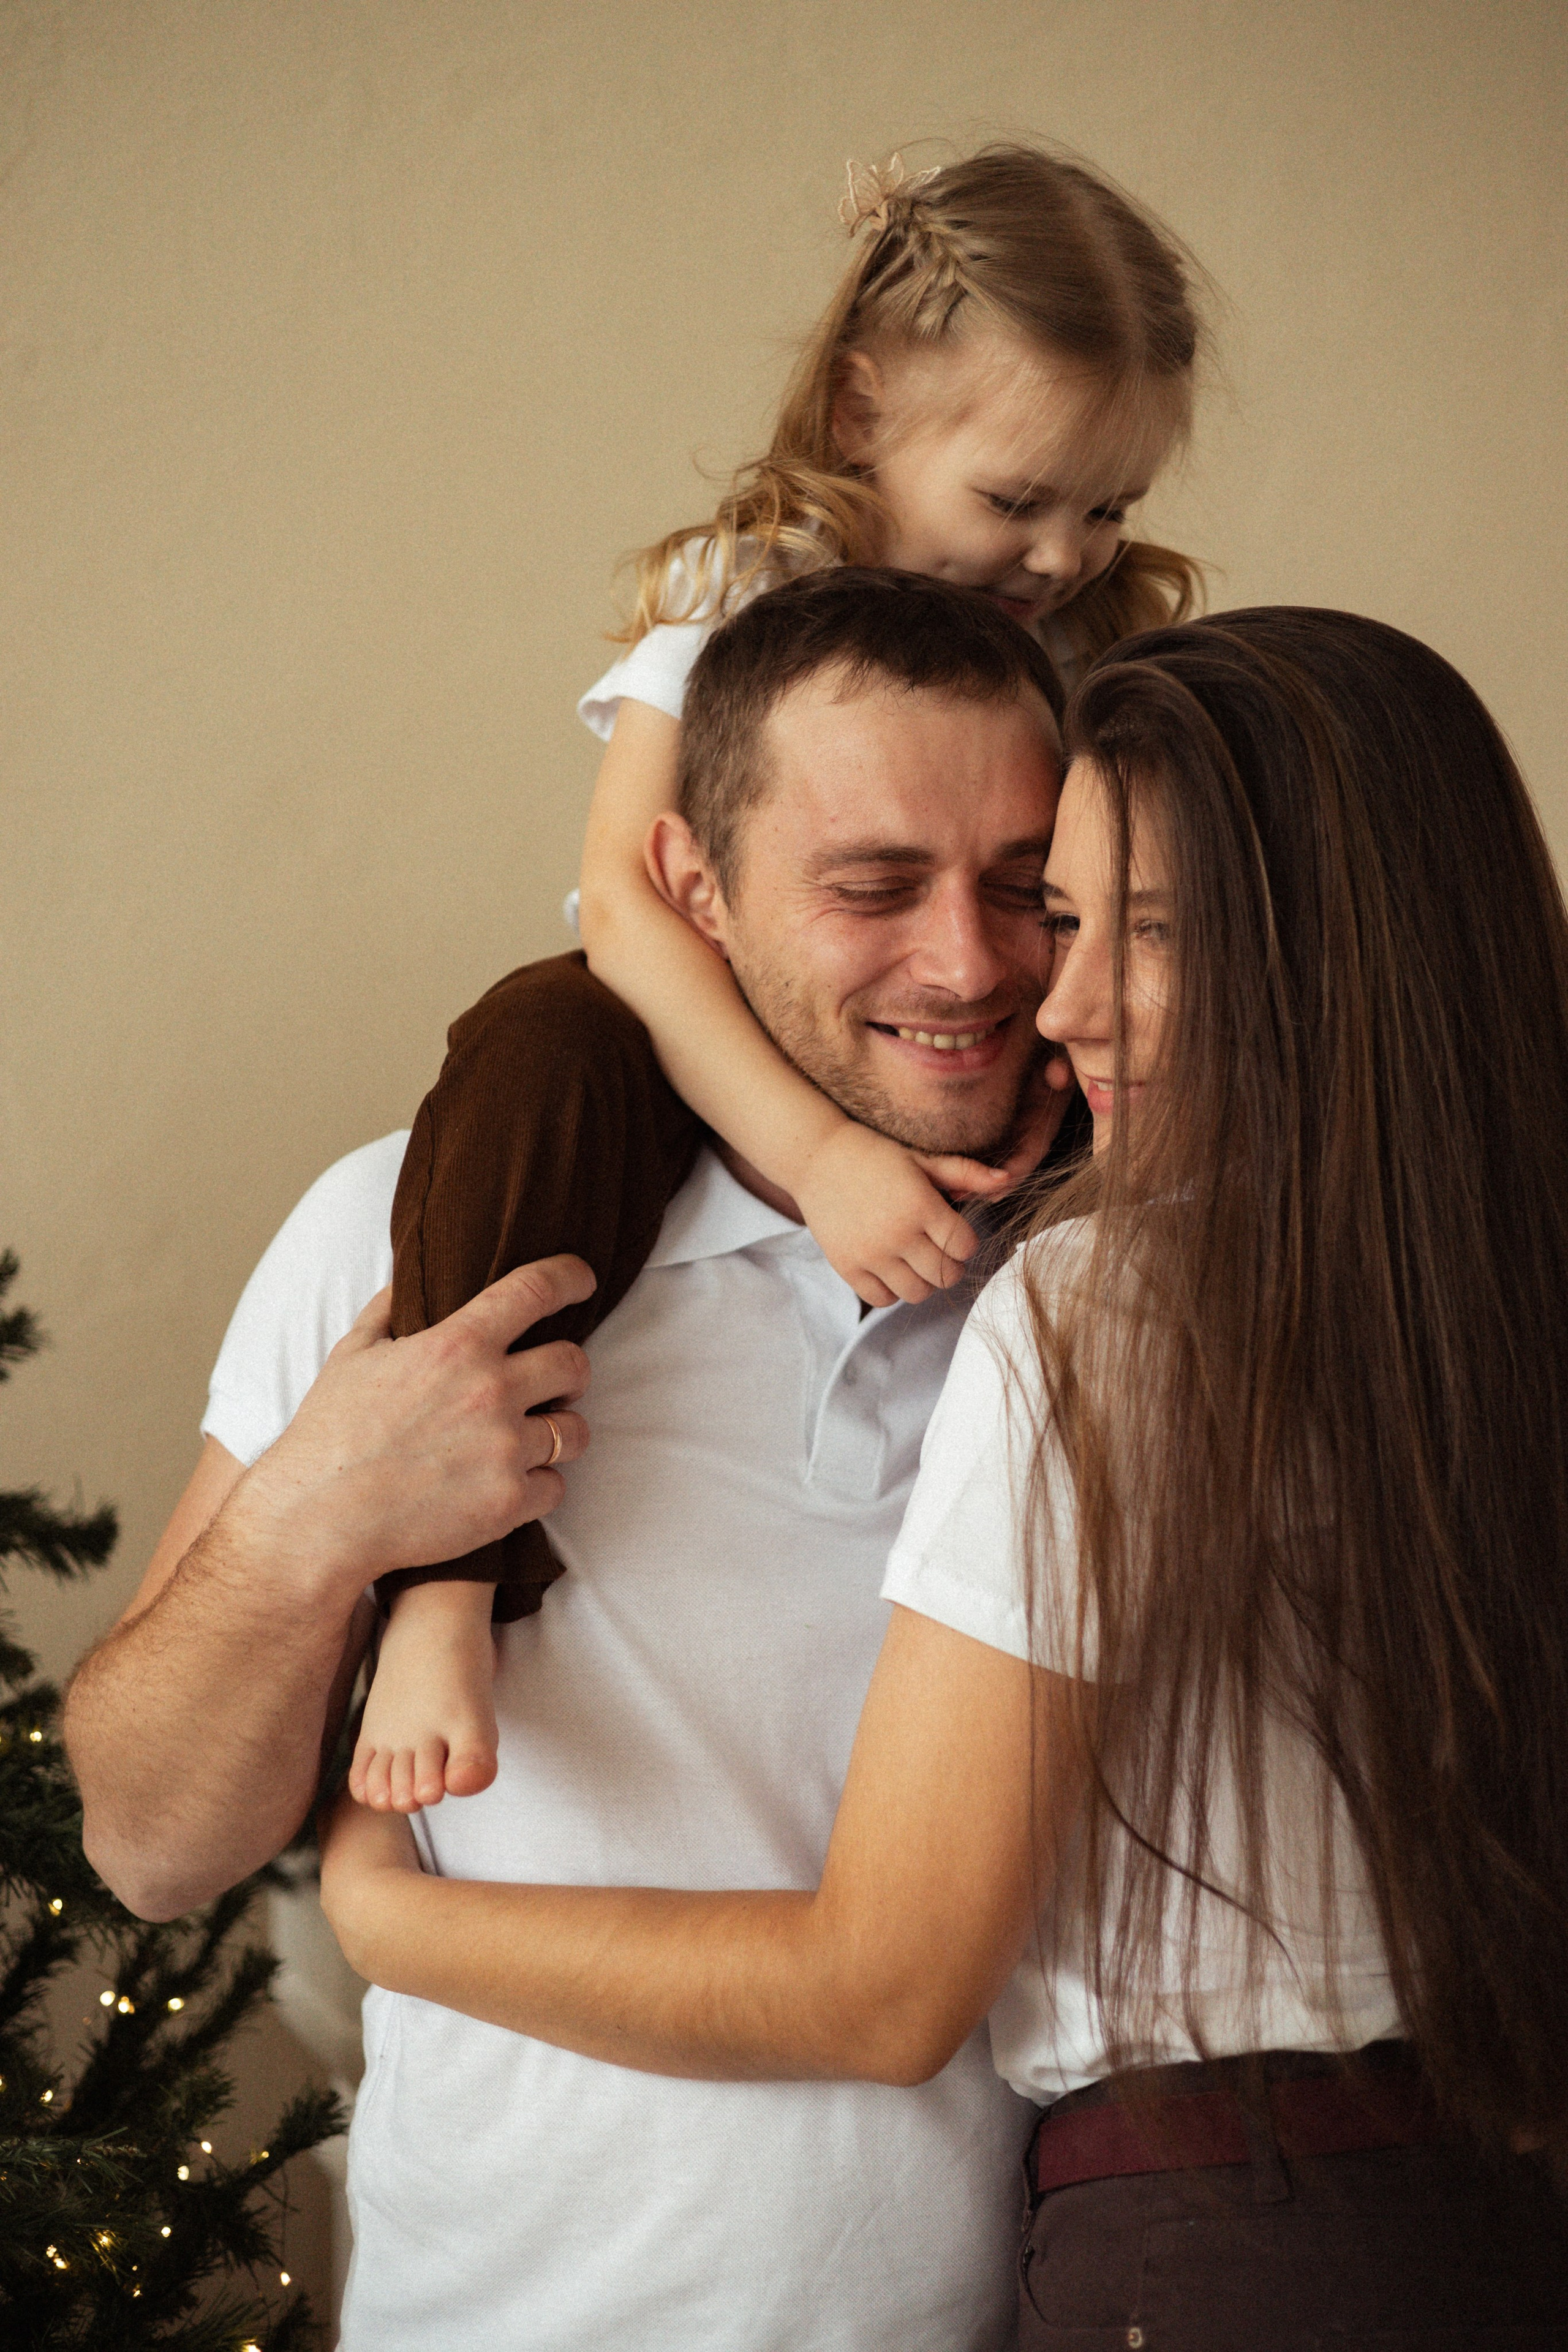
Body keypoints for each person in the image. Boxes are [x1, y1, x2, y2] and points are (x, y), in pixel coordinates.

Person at [319, 609, 1568, 2348]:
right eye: (1079, 918)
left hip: (1236, 2245)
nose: (1050, 999)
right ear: (700, 887)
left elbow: (883, 1985)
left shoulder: (1114, 1308)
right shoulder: (1491, 1292)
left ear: (1342, 957)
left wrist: (390, 1917)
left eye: (1145, 929)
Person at [66, 568, 1069, 2350]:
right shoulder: (408, 1228)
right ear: (688, 885)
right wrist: (322, 1514)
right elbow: (148, 1843)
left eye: (1021, 885)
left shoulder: (1104, 1305)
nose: (970, 963)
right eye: (874, 887)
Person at [358, 139, 1208, 1812]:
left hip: (953, 1071)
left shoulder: (1081, 644)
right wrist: (820, 1157)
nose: (1060, 555)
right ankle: (446, 1588)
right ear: (861, 411)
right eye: (1016, 500)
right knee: (536, 1039)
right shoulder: (739, 589)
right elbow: (628, 898)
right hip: (689, 1009)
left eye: (1108, 507)